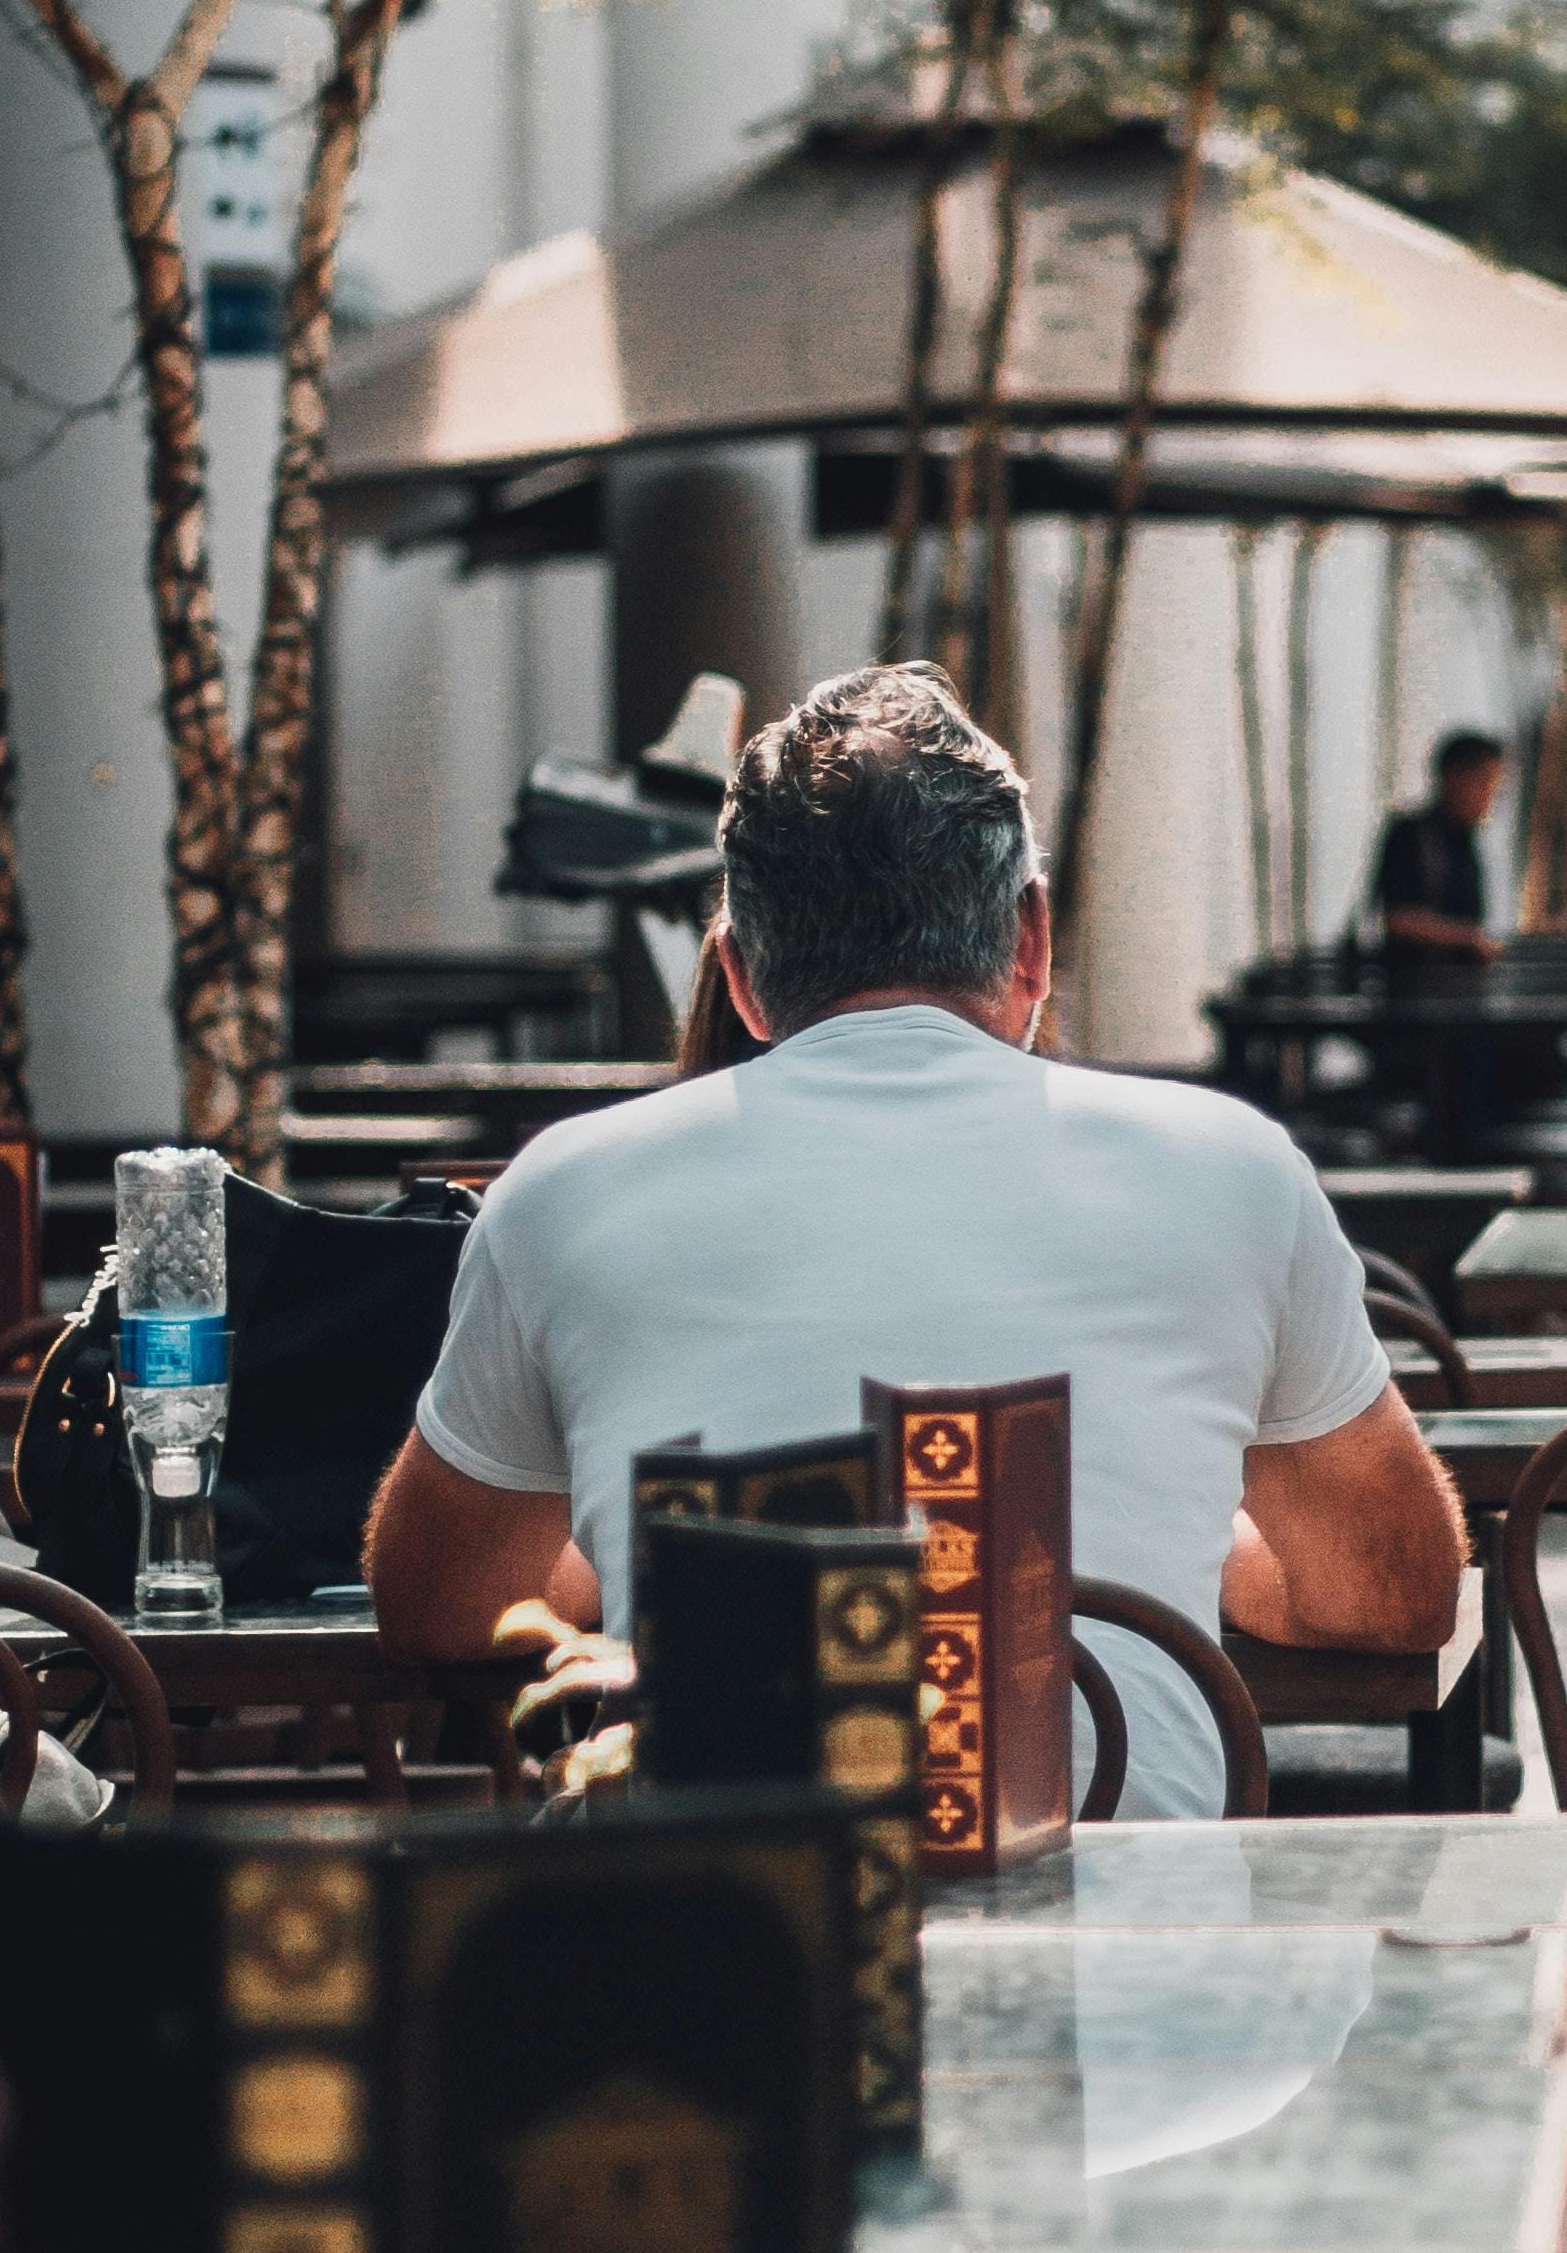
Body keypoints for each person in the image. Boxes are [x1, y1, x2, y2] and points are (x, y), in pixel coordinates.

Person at [366, 663, 1465, 1812]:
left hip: (737, 1954)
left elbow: (441, 1610)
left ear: (737, 976)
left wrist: (669, 1556)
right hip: (1150, 1957)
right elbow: (1391, 1594)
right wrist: (1171, 1547)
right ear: (1032, 939)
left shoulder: (559, 1193)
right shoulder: (1234, 1169)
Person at [1368, 730, 1506, 966]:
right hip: (1413, 990)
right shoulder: (1409, 835)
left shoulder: (1466, 839)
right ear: (1453, 777)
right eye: (1483, 783)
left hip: (1458, 988)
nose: (1491, 796)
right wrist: (1468, 938)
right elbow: (1397, 919)